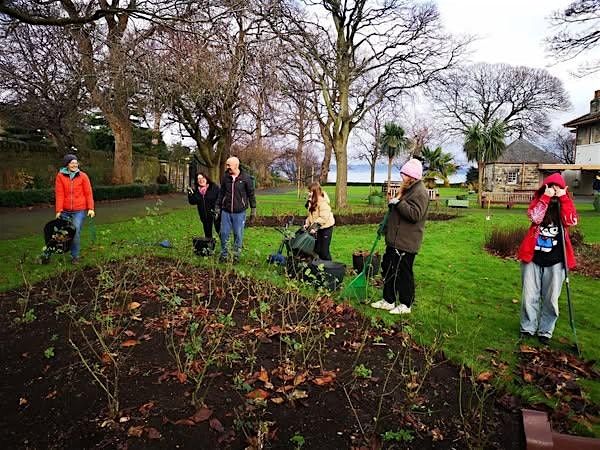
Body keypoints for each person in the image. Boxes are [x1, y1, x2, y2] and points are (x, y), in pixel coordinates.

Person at [517, 173, 578, 345]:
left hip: (557, 260)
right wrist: (546, 197)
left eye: (556, 187)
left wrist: (563, 198)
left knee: (551, 299)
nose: (553, 190)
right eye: (550, 186)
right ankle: (528, 328)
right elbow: (535, 217)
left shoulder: (564, 204)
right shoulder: (539, 201)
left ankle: (545, 331)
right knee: (529, 296)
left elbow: (571, 220)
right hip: (533, 258)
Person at [371, 158, 428, 315]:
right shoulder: (407, 189)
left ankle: (405, 304)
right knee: (389, 270)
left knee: (404, 274)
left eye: (404, 175)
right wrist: (385, 227)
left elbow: (415, 214)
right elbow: (395, 213)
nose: (402, 178)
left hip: (407, 242)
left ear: (412, 176)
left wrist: (398, 203)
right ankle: (388, 300)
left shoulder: (420, 192)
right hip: (394, 240)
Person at [54, 154, 95, 264]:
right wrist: (58, 210)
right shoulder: (60, 176)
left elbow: (88, 193)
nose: (74, 165)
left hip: (79, 210)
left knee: (75, 231)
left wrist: (90, 208)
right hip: (65, 211)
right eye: (72, 163)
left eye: (76, 163)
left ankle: (75, 256)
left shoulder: (83, 176)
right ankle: (59, 248)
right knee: (66, 233)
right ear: (67, 164)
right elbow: (59, 194)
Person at [215, 157, 256, 263]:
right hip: (226, 211)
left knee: (238, 234)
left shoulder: (246, 178)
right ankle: (224, 254)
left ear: (236, 165)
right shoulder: (225, 177)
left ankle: (236, 255)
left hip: (239, 212)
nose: (227, 167)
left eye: (229, 165)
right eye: (227, 165)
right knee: (224, 233)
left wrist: (253, 210)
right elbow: (221, 193)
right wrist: (217, 207)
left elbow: (251, 194)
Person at [304, 182, 335, 260]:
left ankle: (329, 268)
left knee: (324, 251)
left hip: (326, 228)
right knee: (317, 249)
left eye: (310, 191)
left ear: (315, 192)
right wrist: (307, 224)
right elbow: (310, 215)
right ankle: (320, 266)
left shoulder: (322, 202)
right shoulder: (311, 201)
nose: (308, 193)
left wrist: (314, 227)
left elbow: (324, 217)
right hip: (318, 228)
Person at [187, 172, 220, 239]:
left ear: (206, 178)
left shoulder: (214, 187)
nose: (201, 180)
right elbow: (192, 202)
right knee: (207, 233)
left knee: (219, 231)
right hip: (204, 215)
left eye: (202, 178)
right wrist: (190, 194)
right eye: (199, 179)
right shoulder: (197, 191)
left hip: (215, 213)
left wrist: (217, 209)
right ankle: (209, 247)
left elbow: (220, 198)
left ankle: (225, 246)